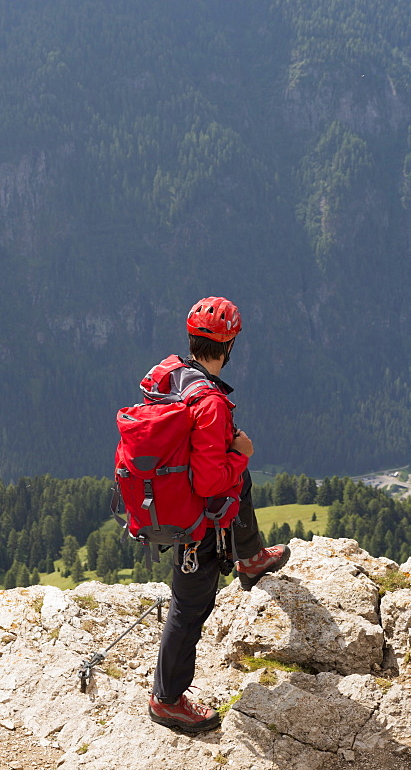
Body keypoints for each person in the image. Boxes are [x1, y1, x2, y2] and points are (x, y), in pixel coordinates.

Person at [148, 296, 290, 734]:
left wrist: (224, 448)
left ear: (192, 340)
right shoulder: (209, 402)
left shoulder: (169, 374)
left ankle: (249, 559)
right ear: (229, 347)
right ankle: (167, 699)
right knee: (190, 607)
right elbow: (212, 484)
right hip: (196, 521)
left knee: (238, 485)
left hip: (166, 497)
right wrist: (240, 454)